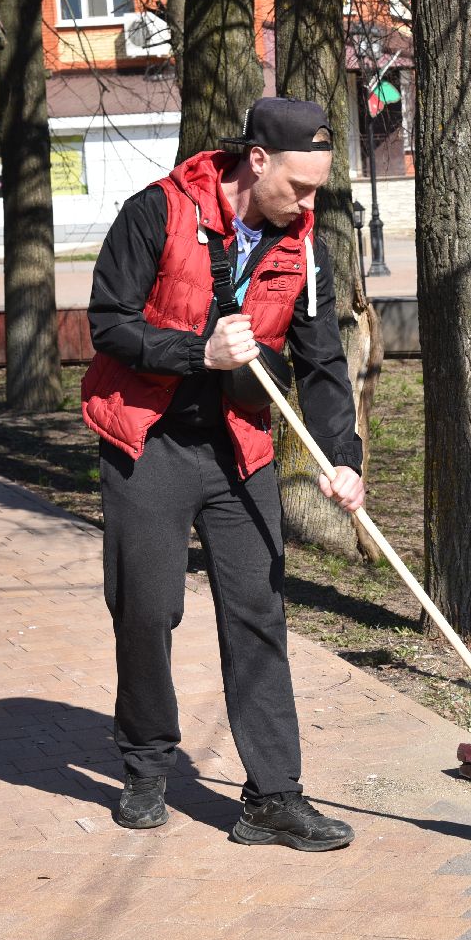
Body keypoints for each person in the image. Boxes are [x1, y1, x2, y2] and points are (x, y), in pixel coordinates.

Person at [82, 97, 364, 851]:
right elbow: (108, 323)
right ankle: (146, 766)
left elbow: (322, 362)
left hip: (240, 447)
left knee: (257, 614)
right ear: (258, 160)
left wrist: (344, 456)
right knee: (147, 610)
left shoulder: (304, 245)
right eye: (299, 187)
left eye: (318, 190)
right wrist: (195, 353)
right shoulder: (156, 211)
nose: (308, 203)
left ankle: (274, 796)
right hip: (149, 442)